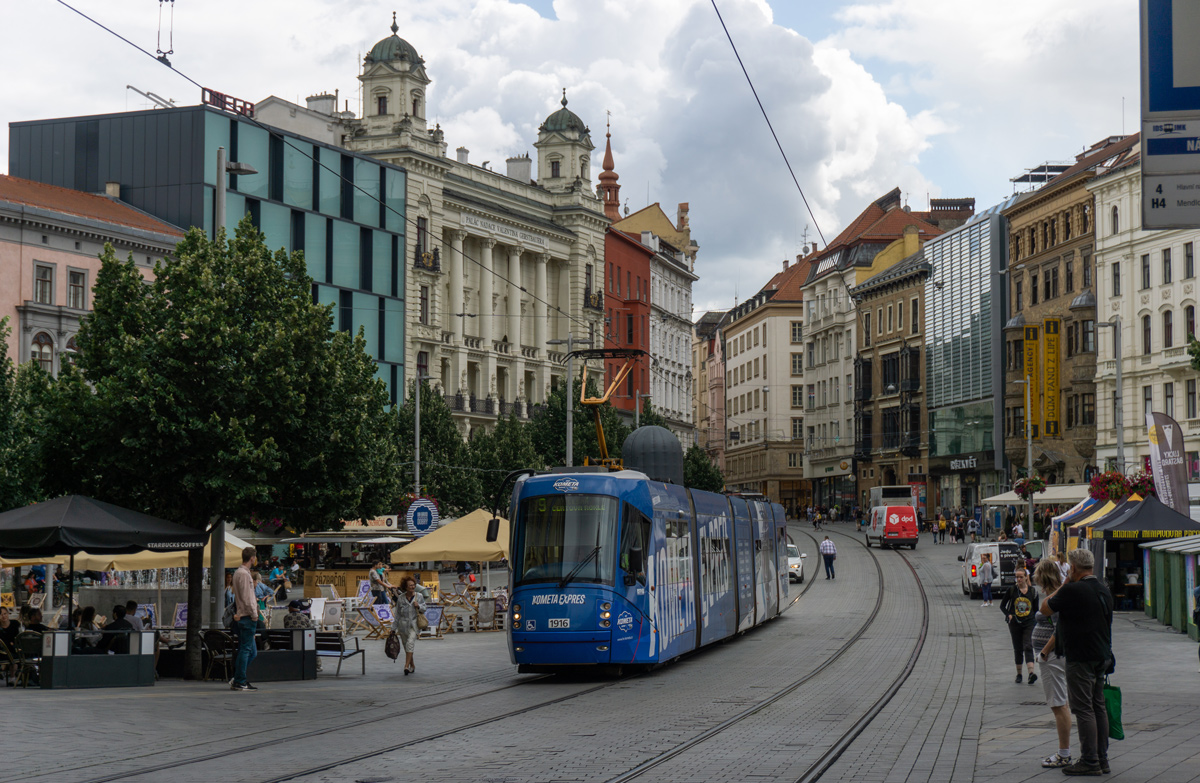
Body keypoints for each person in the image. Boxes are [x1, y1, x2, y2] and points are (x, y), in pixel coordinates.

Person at [1041, 547, 1114, 776]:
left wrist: (1064, 584)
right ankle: (1102, 759)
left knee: (1083, 709)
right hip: (1102, 656)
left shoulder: (1072, 590)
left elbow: (1045, 609)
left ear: (1072, 568)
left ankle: (1090, 760)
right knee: (1098, 706)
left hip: (1080, 657)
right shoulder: (1103, 590)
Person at [1031, 559, 1073, 769]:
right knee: (1060, 703)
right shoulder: (1056, 594)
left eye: (1037, 576)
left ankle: (1064, 753)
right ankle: (1065, 752)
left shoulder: (1055, 598)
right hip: (1053, 656)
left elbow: (1060, 629)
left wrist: (1045, 651)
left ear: (1042, 576)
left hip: (1053, 657)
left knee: (1059, 704)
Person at [1001, 568, 1039, 684]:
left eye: (1021, 577)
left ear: (1026, 577)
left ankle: (1031, 673)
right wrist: (1009, 615)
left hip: (1029, 623)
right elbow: (1002, 606)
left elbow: (1036, 609)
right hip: (1015, 624)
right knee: (1018, 648)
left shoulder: (1033, 592)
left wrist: (1036, 622)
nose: (1018, 579)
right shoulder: (1012, 590)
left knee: (1028, 645)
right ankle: (1019, 674)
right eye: (1016, 577)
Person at [231, 546, 260, 691]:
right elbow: (247, 597)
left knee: (251, 651)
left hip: (242, 615)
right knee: (246, 649)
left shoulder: (238, 573)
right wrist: (254, 615)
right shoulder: (244, 574)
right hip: (247, 616)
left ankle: (238, 677)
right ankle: (239, 680)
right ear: (252, 558)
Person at [392, 576, 427, 675]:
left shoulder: (419, 596)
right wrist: (393, 629)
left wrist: (419, 606)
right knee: (406, 646)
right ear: (405, 587)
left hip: (414, 624)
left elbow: (424, 608)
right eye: (410, 585)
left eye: (413, 585)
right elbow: (397, 614)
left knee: (410, 643)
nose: (412, 587)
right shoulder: (401, 598)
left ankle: (406, 666)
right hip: (402, 626)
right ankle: (412, 665)